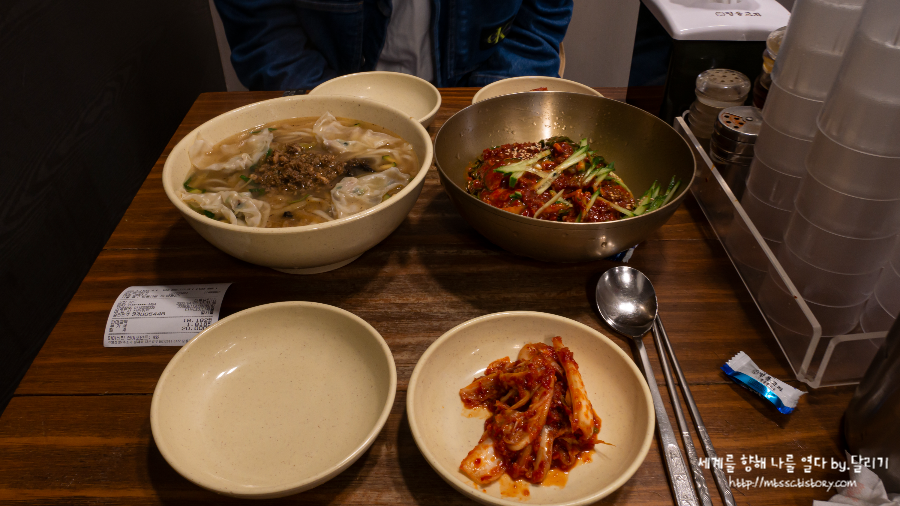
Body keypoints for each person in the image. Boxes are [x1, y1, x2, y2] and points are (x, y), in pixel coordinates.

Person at [214, 0, 574, 90]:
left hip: (477, 88)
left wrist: (485, 105)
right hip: (323, 89)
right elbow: (260, 23)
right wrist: (327, 110)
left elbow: (541, 14)